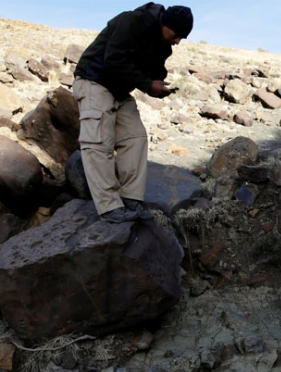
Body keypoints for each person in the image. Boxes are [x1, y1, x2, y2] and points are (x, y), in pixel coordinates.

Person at [73, 4, 193, 223]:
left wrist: (158, 85)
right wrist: (148, 85)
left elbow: (151, 71)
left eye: (181, 38)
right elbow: (114, 60)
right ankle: (109, 207)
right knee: (99, 142)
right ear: (167, 24)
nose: (178, 41)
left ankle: (131, 199)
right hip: (94, 81)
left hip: (119, 90)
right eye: (177, 35)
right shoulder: (131, 22)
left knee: (135, 137)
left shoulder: (163, 45)